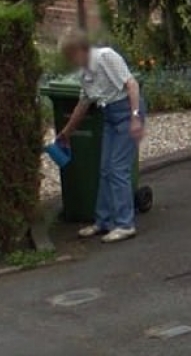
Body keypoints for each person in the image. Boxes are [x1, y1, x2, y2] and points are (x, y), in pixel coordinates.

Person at [56, 28, 145, 243]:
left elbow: (131, 85)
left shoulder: (106, 57)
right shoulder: (86, 72)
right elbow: (83, 103)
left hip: (126, 112)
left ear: (79, 50)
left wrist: (135, 118)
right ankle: (103, 221)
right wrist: (66, 132)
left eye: (70, 56)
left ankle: (125, 224)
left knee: (118, 168)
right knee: (105, 169)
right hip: (109, 116)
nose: (70, 61)